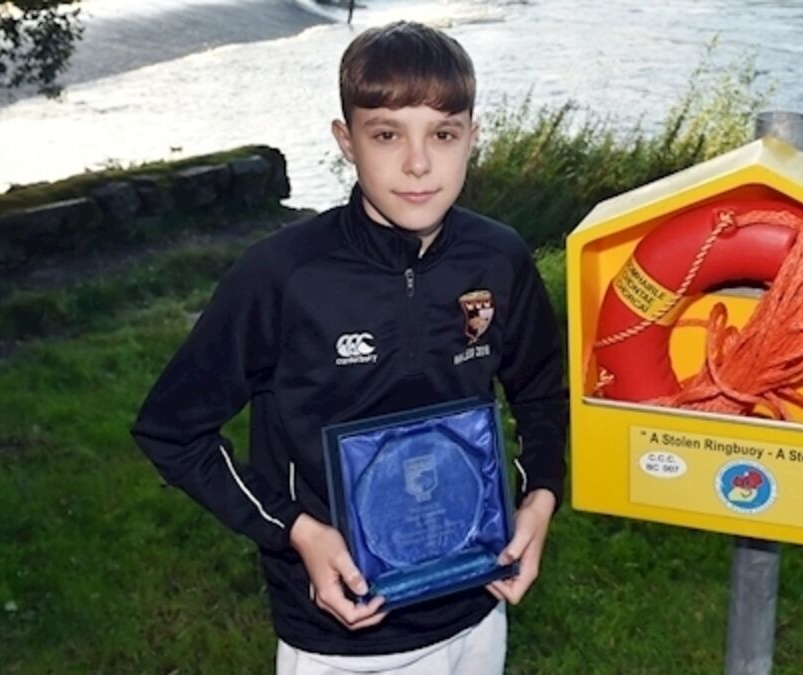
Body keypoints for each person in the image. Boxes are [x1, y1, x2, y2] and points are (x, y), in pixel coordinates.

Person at [131, 20, 566, 674]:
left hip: (476, 611)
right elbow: (171, 430)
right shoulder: (282, 276)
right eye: (387, 134)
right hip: (338, 635)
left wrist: (540, 497)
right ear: (346, 140)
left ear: (472, 138)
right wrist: (296, 531)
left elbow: (540, 392)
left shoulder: (499, 258)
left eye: (443, 134)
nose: (418, 164)